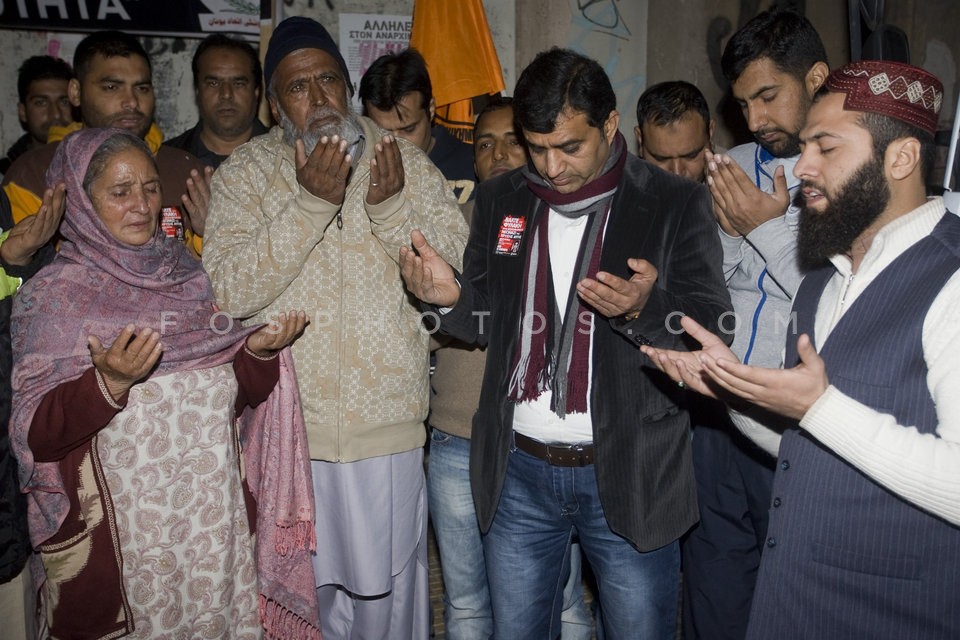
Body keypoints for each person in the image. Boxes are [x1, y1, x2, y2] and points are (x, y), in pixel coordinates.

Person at [400, 47, 731, 639]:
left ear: (608, 125)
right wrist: (447, 298)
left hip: (627, 468)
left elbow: (713, 327)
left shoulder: (674, 201)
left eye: (569, 147)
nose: (550, 168)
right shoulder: (504, 199)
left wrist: (644, 309)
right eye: (537, 147)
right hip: (519, 470)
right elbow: (483, 320)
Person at [643, 59, 960, 640]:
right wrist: (734, 388)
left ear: (902, 158)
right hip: (796, 600)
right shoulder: (823, 275)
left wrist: (818, 407)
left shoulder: (952, 278)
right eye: (806, 145)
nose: (804, 166)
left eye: (826, 148)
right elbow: (805, 445)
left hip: (896, 613)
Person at [201, 16, 468, 639]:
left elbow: (455, 271)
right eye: (298, 87)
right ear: (273, 104)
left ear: (348, 88)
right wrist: (311, 204)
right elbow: (226, 293)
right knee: (301, 602)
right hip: (290, 433)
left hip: (388, 430)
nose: (318, 98)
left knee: (388, 602)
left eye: (329, 80)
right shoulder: (246, 173)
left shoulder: (398, 158)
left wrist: (393, 208)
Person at [8, 127, 318, 638]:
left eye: (151, 187)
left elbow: (228, 400)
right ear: (81, 201)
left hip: (211, 540)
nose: (142, 204)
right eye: (119, 191)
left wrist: (256, 356)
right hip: (120, 550)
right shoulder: (53, 298)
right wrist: (105, 385)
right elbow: (35, 435)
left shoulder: (190, 276)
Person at [678, 11, 829, 640]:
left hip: (799, 419)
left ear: (816, 79)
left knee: (794, 584)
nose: (758, 120)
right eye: (743, 104)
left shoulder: (854, 168)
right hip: (721, 404)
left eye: (769, 96)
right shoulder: (736, 162)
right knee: (714, 573)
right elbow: (711, 276)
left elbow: (837, 297)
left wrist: (768, 227)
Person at [429, 96, 593, 639]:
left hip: (534, 447)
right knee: (468, 602)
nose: (498, 154)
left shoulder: (571, 224)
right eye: (483, 143)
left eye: (512, 141)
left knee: (563, 598)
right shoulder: (444, 228)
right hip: (457, 436)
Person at [2, 30, 209, 254]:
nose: (131, 101)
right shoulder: (32, 175)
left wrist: (209, 236)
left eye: (142, 88)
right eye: (112, 87)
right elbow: (18, 274)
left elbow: (210, 277)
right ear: (75, 92)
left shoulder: (187, 171)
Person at [360, 48, 477, 204]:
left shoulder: (472, 165)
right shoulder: (357, 170)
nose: (396, 143)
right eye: (382, 132)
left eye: (409, 129)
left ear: (431, 109)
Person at [166, 34, 269, 169]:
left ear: (257, 91)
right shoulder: (164, 160)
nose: (226, 94)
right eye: (213, 83)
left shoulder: (289, 158)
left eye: (238, 83)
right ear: (198, 90)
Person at [1, 55, 75, 176]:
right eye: (41, 103)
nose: (56, 114)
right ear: (22, 111)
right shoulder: (6, 174)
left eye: (64, 102)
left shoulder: (97, 164)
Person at [634, 80, 715, 182]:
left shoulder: (739, 174)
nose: (677, 172)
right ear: (640, 140)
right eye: (661, 159)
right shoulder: (619, 192)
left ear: (710, 133)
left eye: (691, 156)